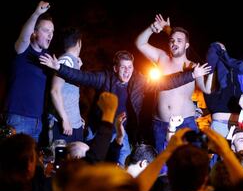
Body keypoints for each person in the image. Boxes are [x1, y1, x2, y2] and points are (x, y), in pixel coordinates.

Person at [39, 50, 210, 166]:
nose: (127, 71)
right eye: (123, 67)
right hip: (99, 127)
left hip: (122, 131)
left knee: (123, 163)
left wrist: (192, 75)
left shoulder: (139, 81)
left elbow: (165, 82)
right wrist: (59, 67)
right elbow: (82, 77)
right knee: (94, 162)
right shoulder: (104, 78)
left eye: (130, 67)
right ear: (115, 68)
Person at [135, 14, 211, 153]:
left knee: (191, 161)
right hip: (160, 124)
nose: (174, 43)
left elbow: (206, 89)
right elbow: (140, 43)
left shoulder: (193, 66)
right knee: (162, 164)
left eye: (179, 41)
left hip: (186, 122)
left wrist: (211, 69)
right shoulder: (161, 57)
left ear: (186, 45)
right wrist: (152, 28)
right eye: (172, 40)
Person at [4, 1, 53, 142]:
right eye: (45, 30)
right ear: (34, 32)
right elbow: (24, 38)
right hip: (17, 118)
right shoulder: (22, 50)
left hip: (37, 122)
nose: (50, 34)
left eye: (52, 31)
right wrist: (37, 13)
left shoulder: (47, 56)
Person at [50, 27, 84, 143]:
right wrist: (65, 119)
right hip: (63, 125)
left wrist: (77, 118)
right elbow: (55, 91)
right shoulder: (65, 60)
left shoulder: (72, 61)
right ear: (79, 43)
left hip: (74, 124)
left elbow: (70, 91)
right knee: (60, 160)